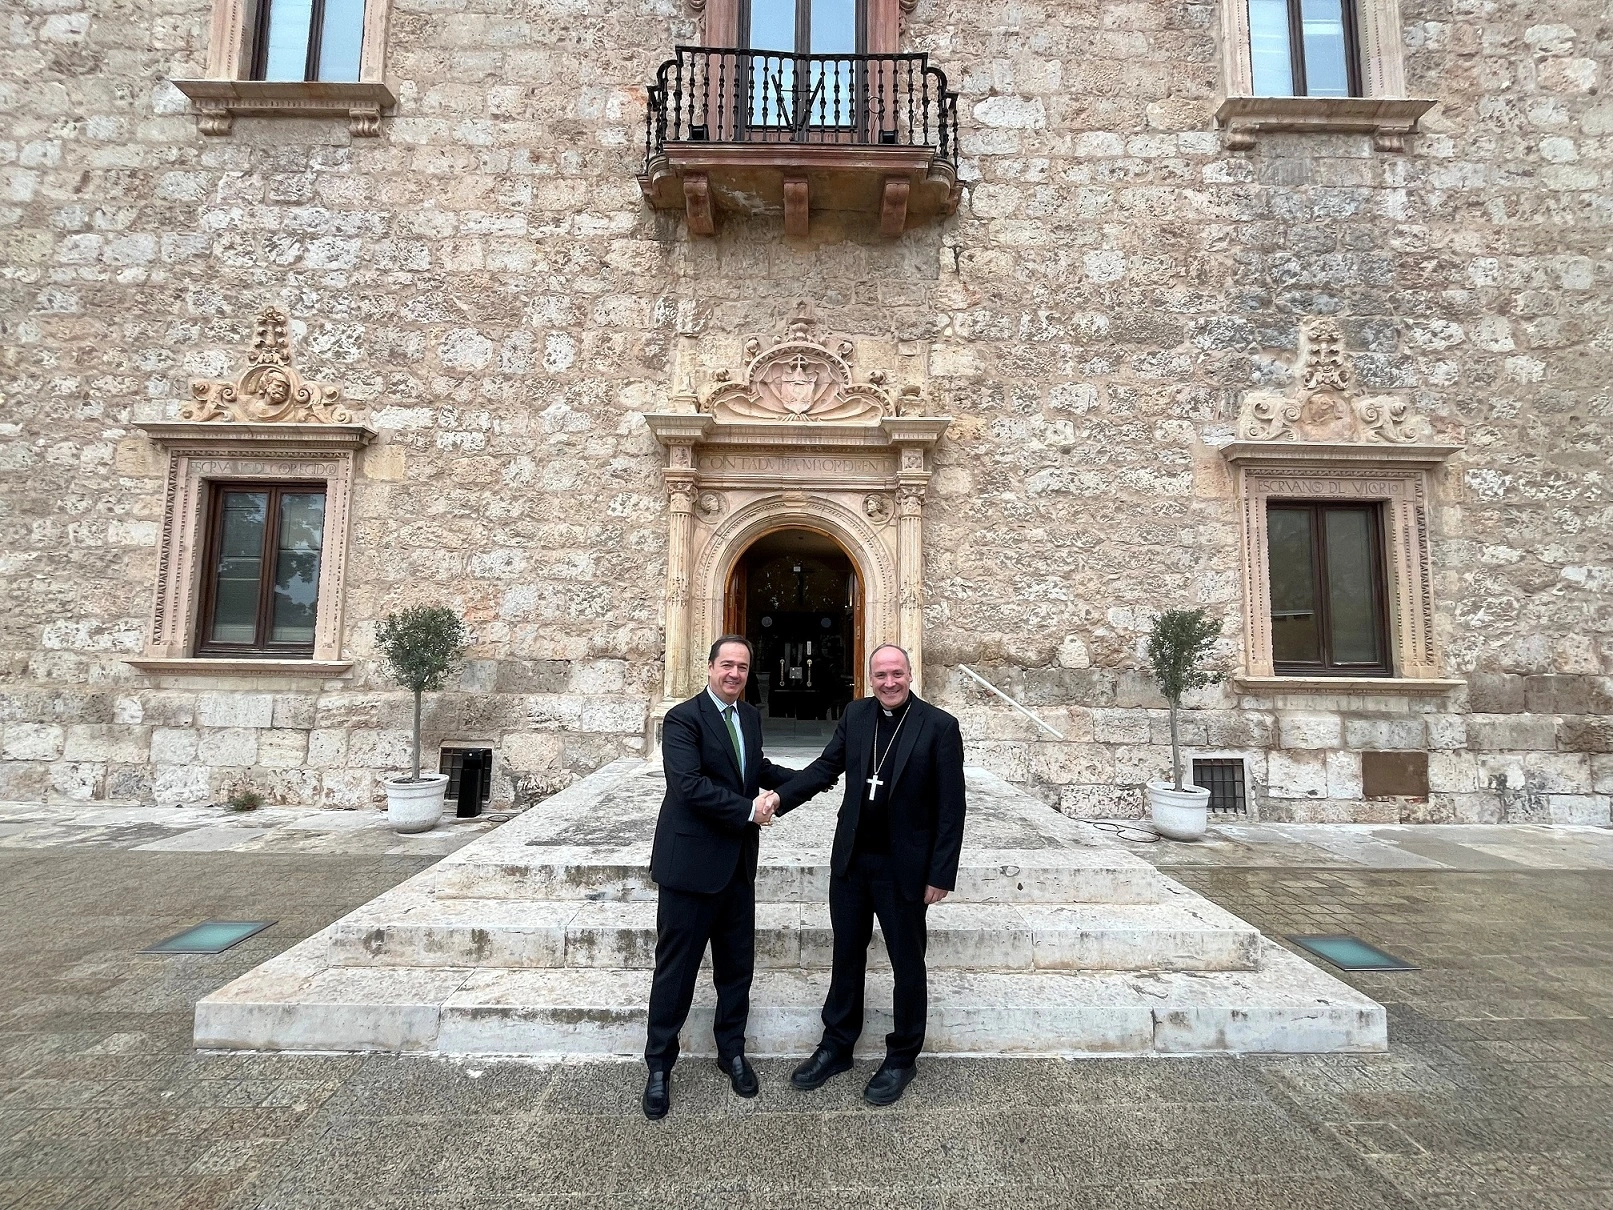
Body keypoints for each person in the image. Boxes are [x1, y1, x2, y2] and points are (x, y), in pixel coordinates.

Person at [773, 642, 966, 1106]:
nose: (889, 682)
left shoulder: (939, 726)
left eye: (896, 673)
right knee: (846, 956)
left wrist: (941, 873)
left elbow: (951, 808)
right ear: (869, 678)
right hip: (853, 863)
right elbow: (824, 769)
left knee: (907, 964)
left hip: (905, 869)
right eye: (880, 675)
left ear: (910, 674)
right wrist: (778, 800)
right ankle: (837, 1045)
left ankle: (902, 1057)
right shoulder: (856, 716)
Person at [641, 635, 796, 1120]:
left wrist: (811, 776)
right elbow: (688, 786)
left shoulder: (748, 717)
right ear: (708, 668)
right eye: (726, 665)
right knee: (676, 972)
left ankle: (732, 1051)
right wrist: (750, 810)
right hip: (689, 869)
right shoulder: (684, 718)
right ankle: (659, 1067)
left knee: (736, 971)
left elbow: (754, 770)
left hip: (735, 869)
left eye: (743, 668)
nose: (734, 674)